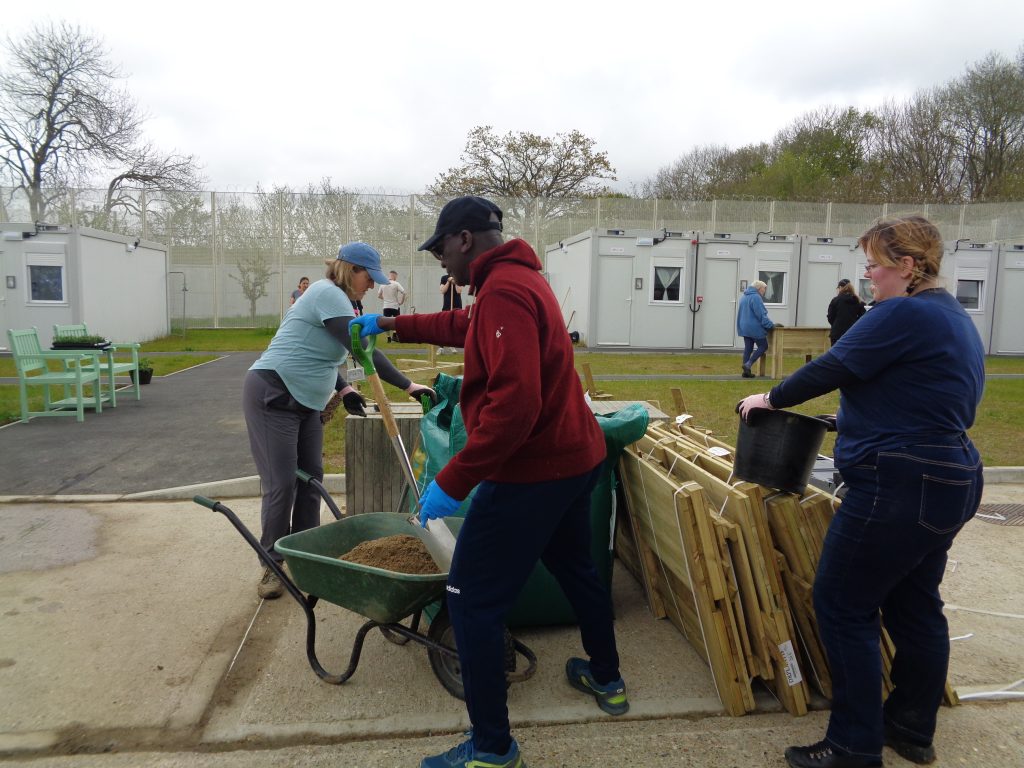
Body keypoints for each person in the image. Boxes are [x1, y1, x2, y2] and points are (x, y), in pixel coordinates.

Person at [351, 196, 625, 768]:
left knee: (469, 599)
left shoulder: (502, 290)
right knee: (578, 571)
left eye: (442, 250)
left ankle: (493, 749)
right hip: (576, 460)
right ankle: (607, 680)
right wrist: (388, 324)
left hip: (532, 472)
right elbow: (463, 325)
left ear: (465, 240)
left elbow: (514, 407)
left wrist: (455, 479)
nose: (441, 263)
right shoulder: (521, 279)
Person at [738, 215, 985, 768]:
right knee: (916, 604)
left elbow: (833, 364)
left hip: (901, 481)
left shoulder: (903, 311)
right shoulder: (952, 316)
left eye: (874, 264)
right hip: (952, 475)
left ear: (907, 266)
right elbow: (915, 391)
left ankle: (852, 745)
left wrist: (769, 399)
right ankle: (911, 728)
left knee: (842, 603)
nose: (868, 275)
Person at [243, 242, 435, 600]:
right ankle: (272, 566)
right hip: (273, 397)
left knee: (311, 480)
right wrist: (408, 384)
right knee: (282, 484)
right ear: (350, 270)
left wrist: (344, 389)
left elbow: (323, 354)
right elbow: (363, 349)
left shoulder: (344, 302)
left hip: (306, 402)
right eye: (367, 277)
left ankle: (305, 555)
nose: (371, 285)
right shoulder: (327, 293)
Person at [737, 280, 776, 377]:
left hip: (744, 327)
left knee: (748, 349)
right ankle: (748, 364)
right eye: (764, 288)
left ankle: (746, 372)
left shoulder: (744, 296)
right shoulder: (756, 297)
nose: (764, 290)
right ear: (759, 288)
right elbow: (761, 314)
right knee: (763, 346)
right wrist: (771, 325)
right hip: (754, 327)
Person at [827, 278, 866, 345]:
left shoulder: (836, 300)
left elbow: (830, 316)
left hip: (837, 333)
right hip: (852, 333)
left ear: (840, 287)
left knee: (836, 354)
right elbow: (863, 316)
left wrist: (836, 324)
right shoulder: (858, 301)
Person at [377, 269, 406, 342]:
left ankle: (388, 338)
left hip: (386, 306)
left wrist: (385, 299)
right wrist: (401, 302)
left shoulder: (382, 284)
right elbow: (404, 292)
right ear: (395, 276)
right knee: (397, 321)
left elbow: (379, 295)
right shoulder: (396, 283)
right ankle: (394, 335)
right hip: (395, 306)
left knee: (386, 322)